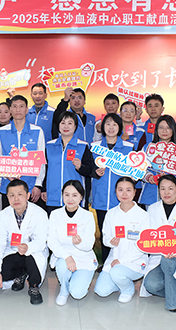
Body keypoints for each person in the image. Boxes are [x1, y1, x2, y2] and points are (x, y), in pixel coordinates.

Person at [141, 175, 176, 312]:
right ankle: (174, 290)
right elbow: (148, 235)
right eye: (162, 189)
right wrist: (161, 249)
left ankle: (174, 302)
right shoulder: (152, 209)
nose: (166, 192)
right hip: (158, 255)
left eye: (170, 188)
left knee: (169, 261)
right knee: (151, 285)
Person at [0, 179, 49, 305]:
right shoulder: (3, 215)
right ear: (7, 197)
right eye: (12, 195)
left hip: (33, 252)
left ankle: (33, 286)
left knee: (32, 260)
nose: (16, 199)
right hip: (13, 251)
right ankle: (21, 274)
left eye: (20, 194)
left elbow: (41, 241)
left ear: (28, 195)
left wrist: (28, 247)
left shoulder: (40, 214)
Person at [94, 177, 149, 303]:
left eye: (128, 190)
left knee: (116, 272)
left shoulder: (143, 215)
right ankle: (121, 282)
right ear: (116, 192)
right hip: (114, 259)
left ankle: (128, 289)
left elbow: (143, 245)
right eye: (120, 190)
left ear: (134, 192)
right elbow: (105, 237)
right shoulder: (111, 213)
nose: (124, 194)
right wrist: (110, 241)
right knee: (101, 291)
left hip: (136, 261)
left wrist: (121, 261)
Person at [91, 113, 135, 264]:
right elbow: (89, 169)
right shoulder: (95, 147)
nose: (111, 127)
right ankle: (105, 263)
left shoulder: (128, 147)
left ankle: (122, 262)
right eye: (107, 124)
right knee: (105, 233)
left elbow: (134, 171)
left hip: (121, 199)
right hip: (101, 197)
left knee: (121, 232)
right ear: (102, 127)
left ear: (120, 127)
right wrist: (95, 172)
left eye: (114, 124)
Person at [47, 180, 96, 306]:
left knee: (77, 294)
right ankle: (63, 291)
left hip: (83, 257)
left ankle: (76, 280)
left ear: (81, 197)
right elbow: (51, 240)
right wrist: (67, 256)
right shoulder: (55, 215)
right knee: (62, 266)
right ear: (62, 195)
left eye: (75, 195)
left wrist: (80, 243)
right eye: (66, 194)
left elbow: (89, 244)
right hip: (63, 256)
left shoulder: (87, 216)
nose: (70, 199)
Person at [0, 95, 46, 208]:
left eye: (21, 106)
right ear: (10, 110)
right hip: (8, 187)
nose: (18, 110)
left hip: (31, 188)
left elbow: (41, 160)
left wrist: (38, 184)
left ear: (27, 109)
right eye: (15, 106)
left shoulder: (37, 131)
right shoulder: (1, 132)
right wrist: (7, 175)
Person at [42, 111, 94, 214]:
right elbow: (44, 169)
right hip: (53, 196)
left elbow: (90, 170)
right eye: (63, 123)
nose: (66, 126)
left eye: (70, 123)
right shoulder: (49, 146)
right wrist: (43, 189)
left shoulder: (83, 146)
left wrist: (80, 167)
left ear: (75, 126)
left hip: (74, 198)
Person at [139, 115, 176, 207]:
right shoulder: (148, 147)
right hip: (151, 195)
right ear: (156, 130)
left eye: (168, 128)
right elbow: (139, 168)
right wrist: (148, 177)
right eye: (161, 128)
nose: (164, 131)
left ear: (173, 129)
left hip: (174, 197)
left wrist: (170, 178)